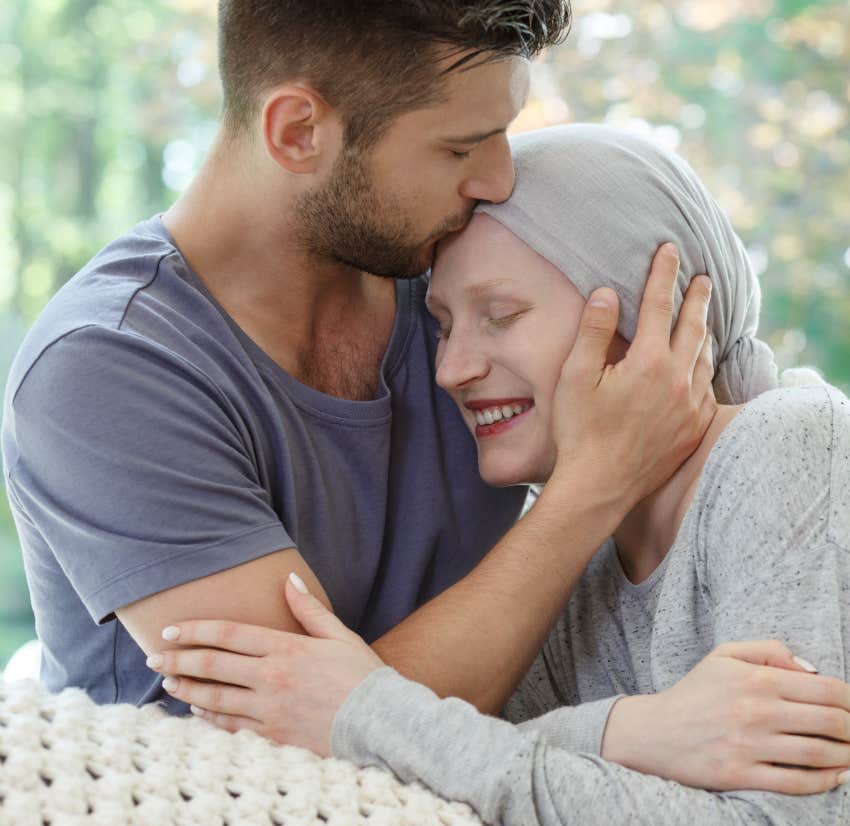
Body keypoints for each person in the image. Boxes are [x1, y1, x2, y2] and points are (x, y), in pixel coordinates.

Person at [1, 3, 715, 717]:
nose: (498, 182)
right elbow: (305, 725)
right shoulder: (108, 366)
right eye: (461, 148)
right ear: (299, 132)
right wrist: (595, 485)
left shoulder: (457, 295)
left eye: (503, 135)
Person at [150, 125, 850, 826]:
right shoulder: (576, 569)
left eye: (503, 315)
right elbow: (463, 762)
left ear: (655, 313)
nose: (451, 369)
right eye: (445, 326)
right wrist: (626, 734)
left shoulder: (792, 447)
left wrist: (364, 714)